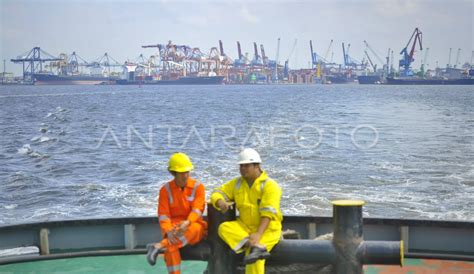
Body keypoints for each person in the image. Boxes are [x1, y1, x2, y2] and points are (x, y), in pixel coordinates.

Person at [210, 148, 283, 274]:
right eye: (241, 166)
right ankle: (254, 245)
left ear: (257, 166)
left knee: (254, 259)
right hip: (245, 228)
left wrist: (258, 235)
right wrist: (220, 202)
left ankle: (255, 246)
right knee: (224, 228)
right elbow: (217, 192)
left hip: (267, 229)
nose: (243, 169)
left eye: (246, 166)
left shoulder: (270, 186)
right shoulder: (237, 183)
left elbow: (268, 214)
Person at [146, 152, 207, 274]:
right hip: (174, 228)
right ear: (173, 173)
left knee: (194, 229)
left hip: (193, 224)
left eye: (187, 172)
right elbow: (163, 215)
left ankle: (158, 246)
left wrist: (187, 222)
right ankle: (164, 245)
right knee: (171, 248)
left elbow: (198, 209)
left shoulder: (198, 187)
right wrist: (168, 231)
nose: (185, 176)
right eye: (181, 173)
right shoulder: (165, 190)